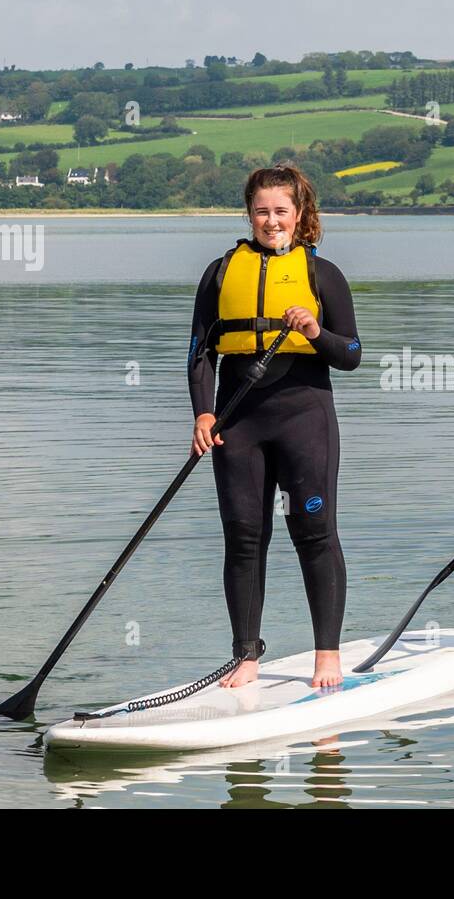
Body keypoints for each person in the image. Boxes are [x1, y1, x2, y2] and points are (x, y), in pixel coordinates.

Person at [187, 163, 361, 688]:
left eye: (281, 211)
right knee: (243, 537)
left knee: (313, 533)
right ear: (249, 213)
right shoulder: (220, 274)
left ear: (300, 213)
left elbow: (351, 353)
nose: (271, 221)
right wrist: (203, 411)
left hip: (304, 421)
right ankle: (245, 656)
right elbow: (200, 354)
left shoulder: (321, 275)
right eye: (261, 211)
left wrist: (314, 330)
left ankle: (326, 655)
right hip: (237, 425)